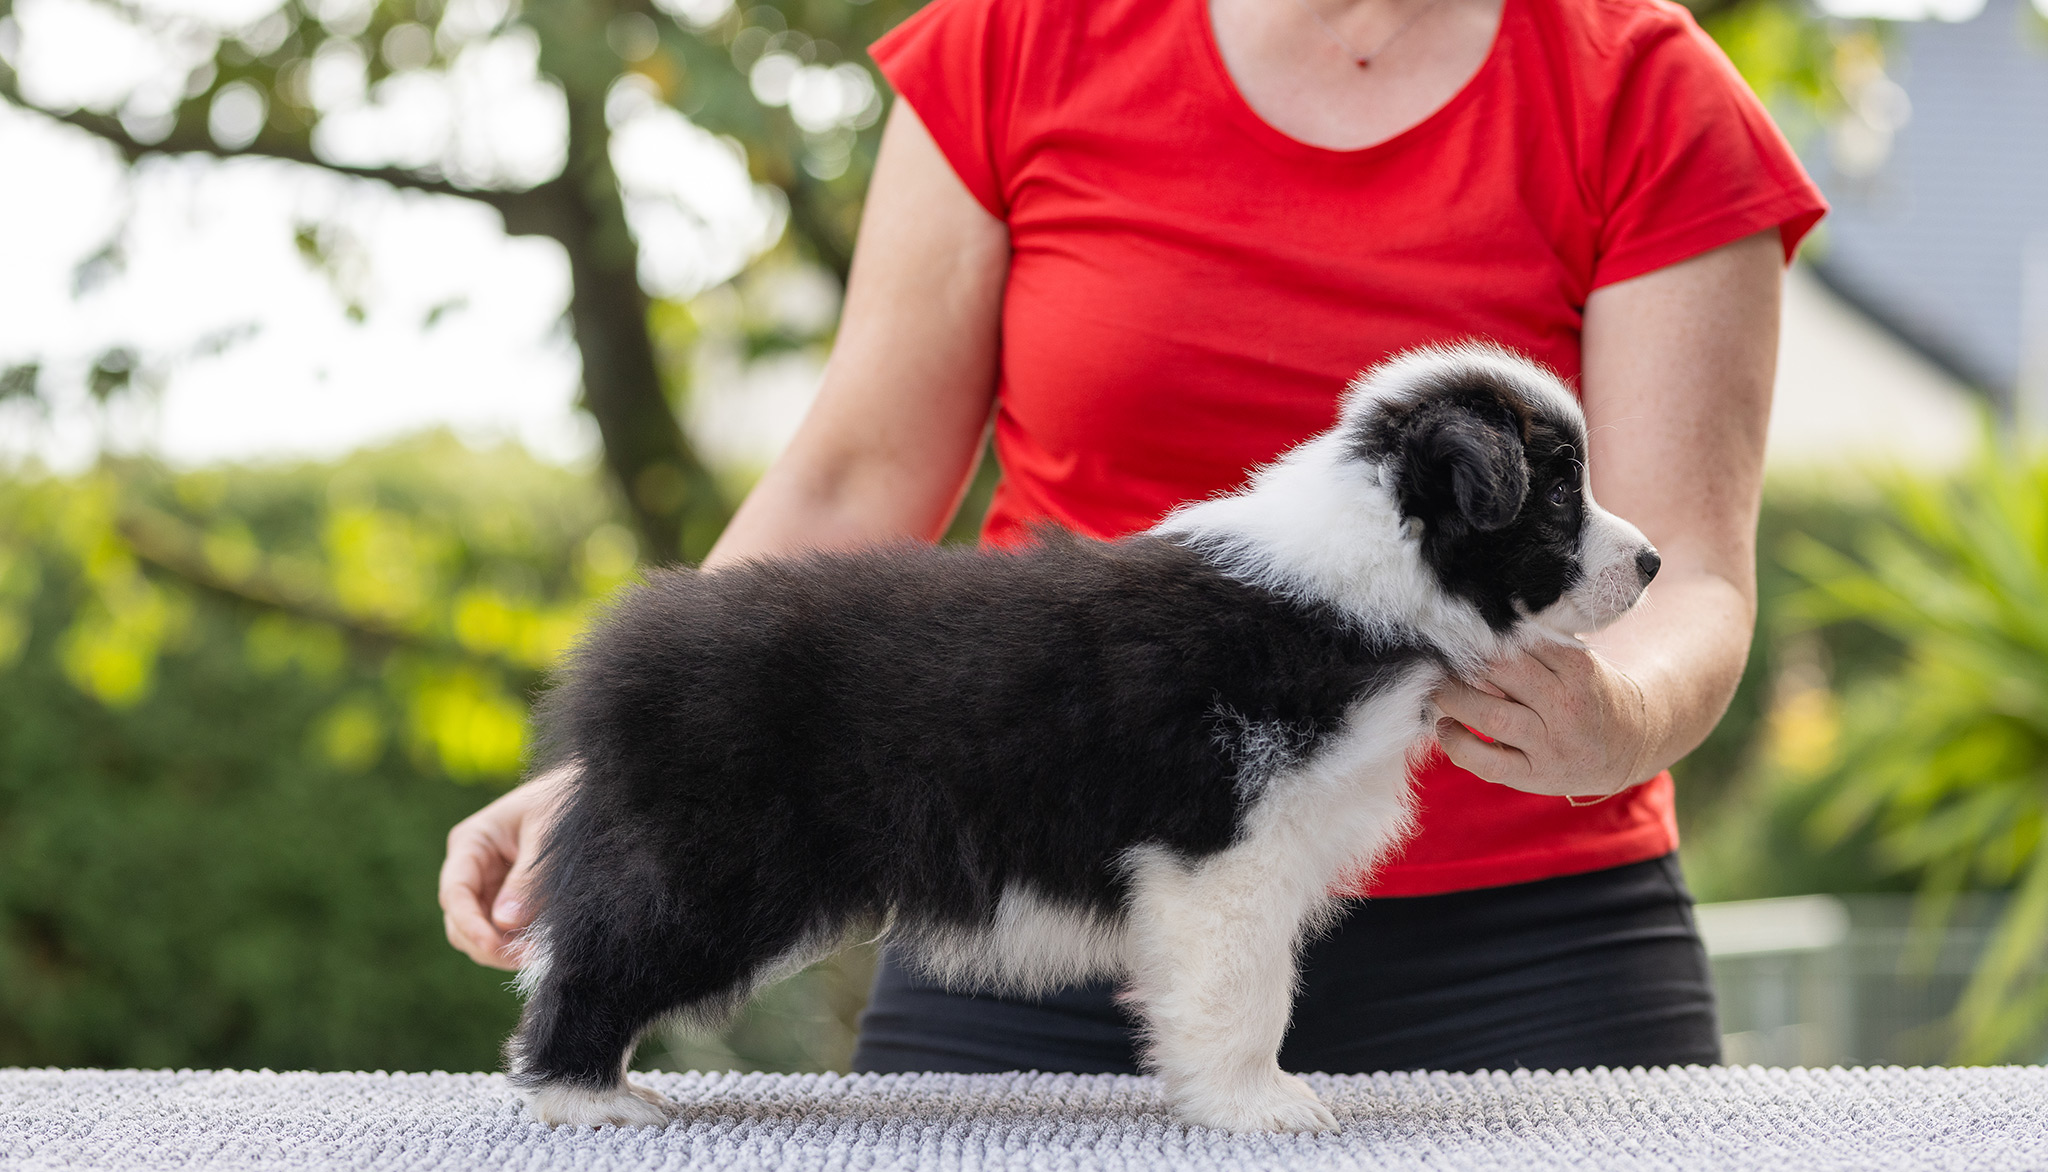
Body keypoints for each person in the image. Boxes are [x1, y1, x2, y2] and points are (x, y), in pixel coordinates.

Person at [441, 0, 1825, 1075]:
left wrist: (1620, 712)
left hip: (1526, 961)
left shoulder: (1649, 93)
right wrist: (645, 763)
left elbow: (1686, 570)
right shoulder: (1026, 38)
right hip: (1041, 922)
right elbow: (856, 474)